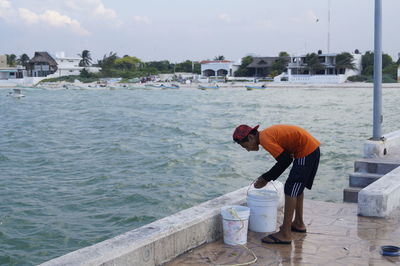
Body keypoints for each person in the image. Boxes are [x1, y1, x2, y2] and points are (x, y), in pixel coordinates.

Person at [233, 124, 320, 245]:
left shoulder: (265, 139)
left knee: (290, 189)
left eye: (245, 146)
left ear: (251, 137)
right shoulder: (266, 136)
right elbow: (286, 158)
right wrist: (267, 177)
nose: (247, 149)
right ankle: (298, 223)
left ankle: (285, 233)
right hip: (310, 149)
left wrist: (266, 178)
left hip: (306, 151)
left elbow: (285, 161)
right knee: (296, 188)